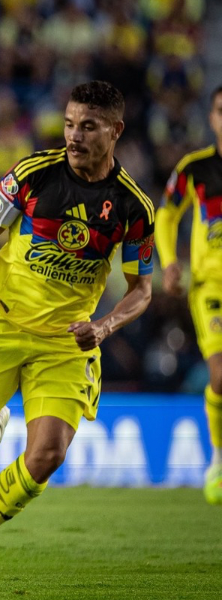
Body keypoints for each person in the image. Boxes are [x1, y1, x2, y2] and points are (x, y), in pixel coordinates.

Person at [0, 81, 154, 574]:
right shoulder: (33, 173)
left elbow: (142, 289)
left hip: (66, 343)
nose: (74, 135)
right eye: (70, 123)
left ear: (115, 131)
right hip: (1, 322)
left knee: (47, 453)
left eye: (88, 126)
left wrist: (106, 325)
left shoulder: (133, 207)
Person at [154, 85, 222, 506]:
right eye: (221, 110)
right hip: (211, 287)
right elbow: (166, 213)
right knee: (220, 375)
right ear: (212, 118)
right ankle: (218, 459)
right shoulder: (195, 169)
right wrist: (169, 261)